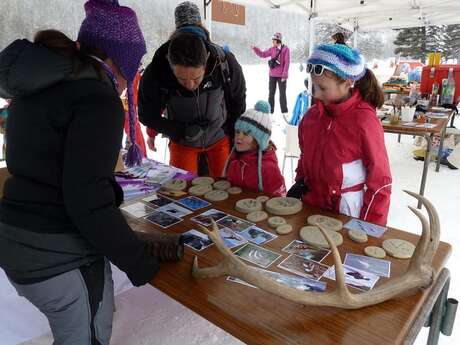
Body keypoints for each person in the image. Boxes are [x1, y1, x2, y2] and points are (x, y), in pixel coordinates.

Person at [0, 1, 183, 344]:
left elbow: (51, 169)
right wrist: (138, 262)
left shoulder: (45, 84)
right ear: (121, 59)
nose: (137, 70)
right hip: (58, 256)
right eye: (137, 61)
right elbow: (87, 202)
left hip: (16, 239)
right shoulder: (97, 100)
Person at [287, 44, 392, 226]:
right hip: (311, 208)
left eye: (323, 88)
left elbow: (380, 181)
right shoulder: (312, 117)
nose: (316, 94)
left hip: (347, 214)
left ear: (347, 82)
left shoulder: (364, 121)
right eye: (313, 86)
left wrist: (370, 227)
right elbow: (305, 157)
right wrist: (299, 184)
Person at [139, 1, 246, 177]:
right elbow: (146, 114)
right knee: (182, 195)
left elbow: (238, 100)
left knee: (223, 192)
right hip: (182, 145)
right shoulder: (158, 68)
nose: (189, 85)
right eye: (181, 79)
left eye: (196, 79)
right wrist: (179, 131)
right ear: (170, 65)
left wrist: (234, 134)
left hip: (219, 141)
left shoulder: (222, 62)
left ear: (206, 64)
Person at [222, 100, 286, 196]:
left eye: (246, 134)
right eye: (237, 132)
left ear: (258, 140)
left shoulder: (268, 168)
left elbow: (278, 201)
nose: (239, 137)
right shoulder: (234, 161)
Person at [251, 33, 290, 115]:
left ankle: (284, 112)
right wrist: (255, 49)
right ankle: (270, 111)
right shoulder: (272, 49)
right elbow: (263, 54)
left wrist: (284, 75)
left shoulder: (286, 49)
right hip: (272, 75)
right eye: (272, 40)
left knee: (282, 94)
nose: (273, 42)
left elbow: (287, 62)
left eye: (274, 40)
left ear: (278, 40)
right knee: (271, 94)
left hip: (281, 76)